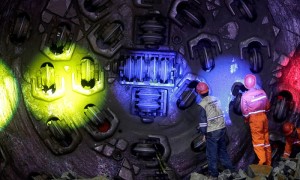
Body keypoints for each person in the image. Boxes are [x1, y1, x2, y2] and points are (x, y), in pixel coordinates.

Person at [196, 82, 234, 179]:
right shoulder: (216, 99)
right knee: (223, 152)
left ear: (199, 93)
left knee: (211, 155)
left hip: (212, 132)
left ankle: (214, 175)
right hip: (221, 129)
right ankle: (232, 172)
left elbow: (203, 123)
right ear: (208, 90)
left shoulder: (202, 105)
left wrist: (204, 134)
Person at [240, 74, 272, 165]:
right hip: (263, 117)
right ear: (254, 83)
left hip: (255, 120)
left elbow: (245, 112)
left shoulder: (245, 96)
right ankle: (269, 163)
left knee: (258, 141)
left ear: (246, 85)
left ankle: (262, 161)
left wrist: (247, 119)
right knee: (266, 139)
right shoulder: (262, 92)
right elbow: (268, 106)